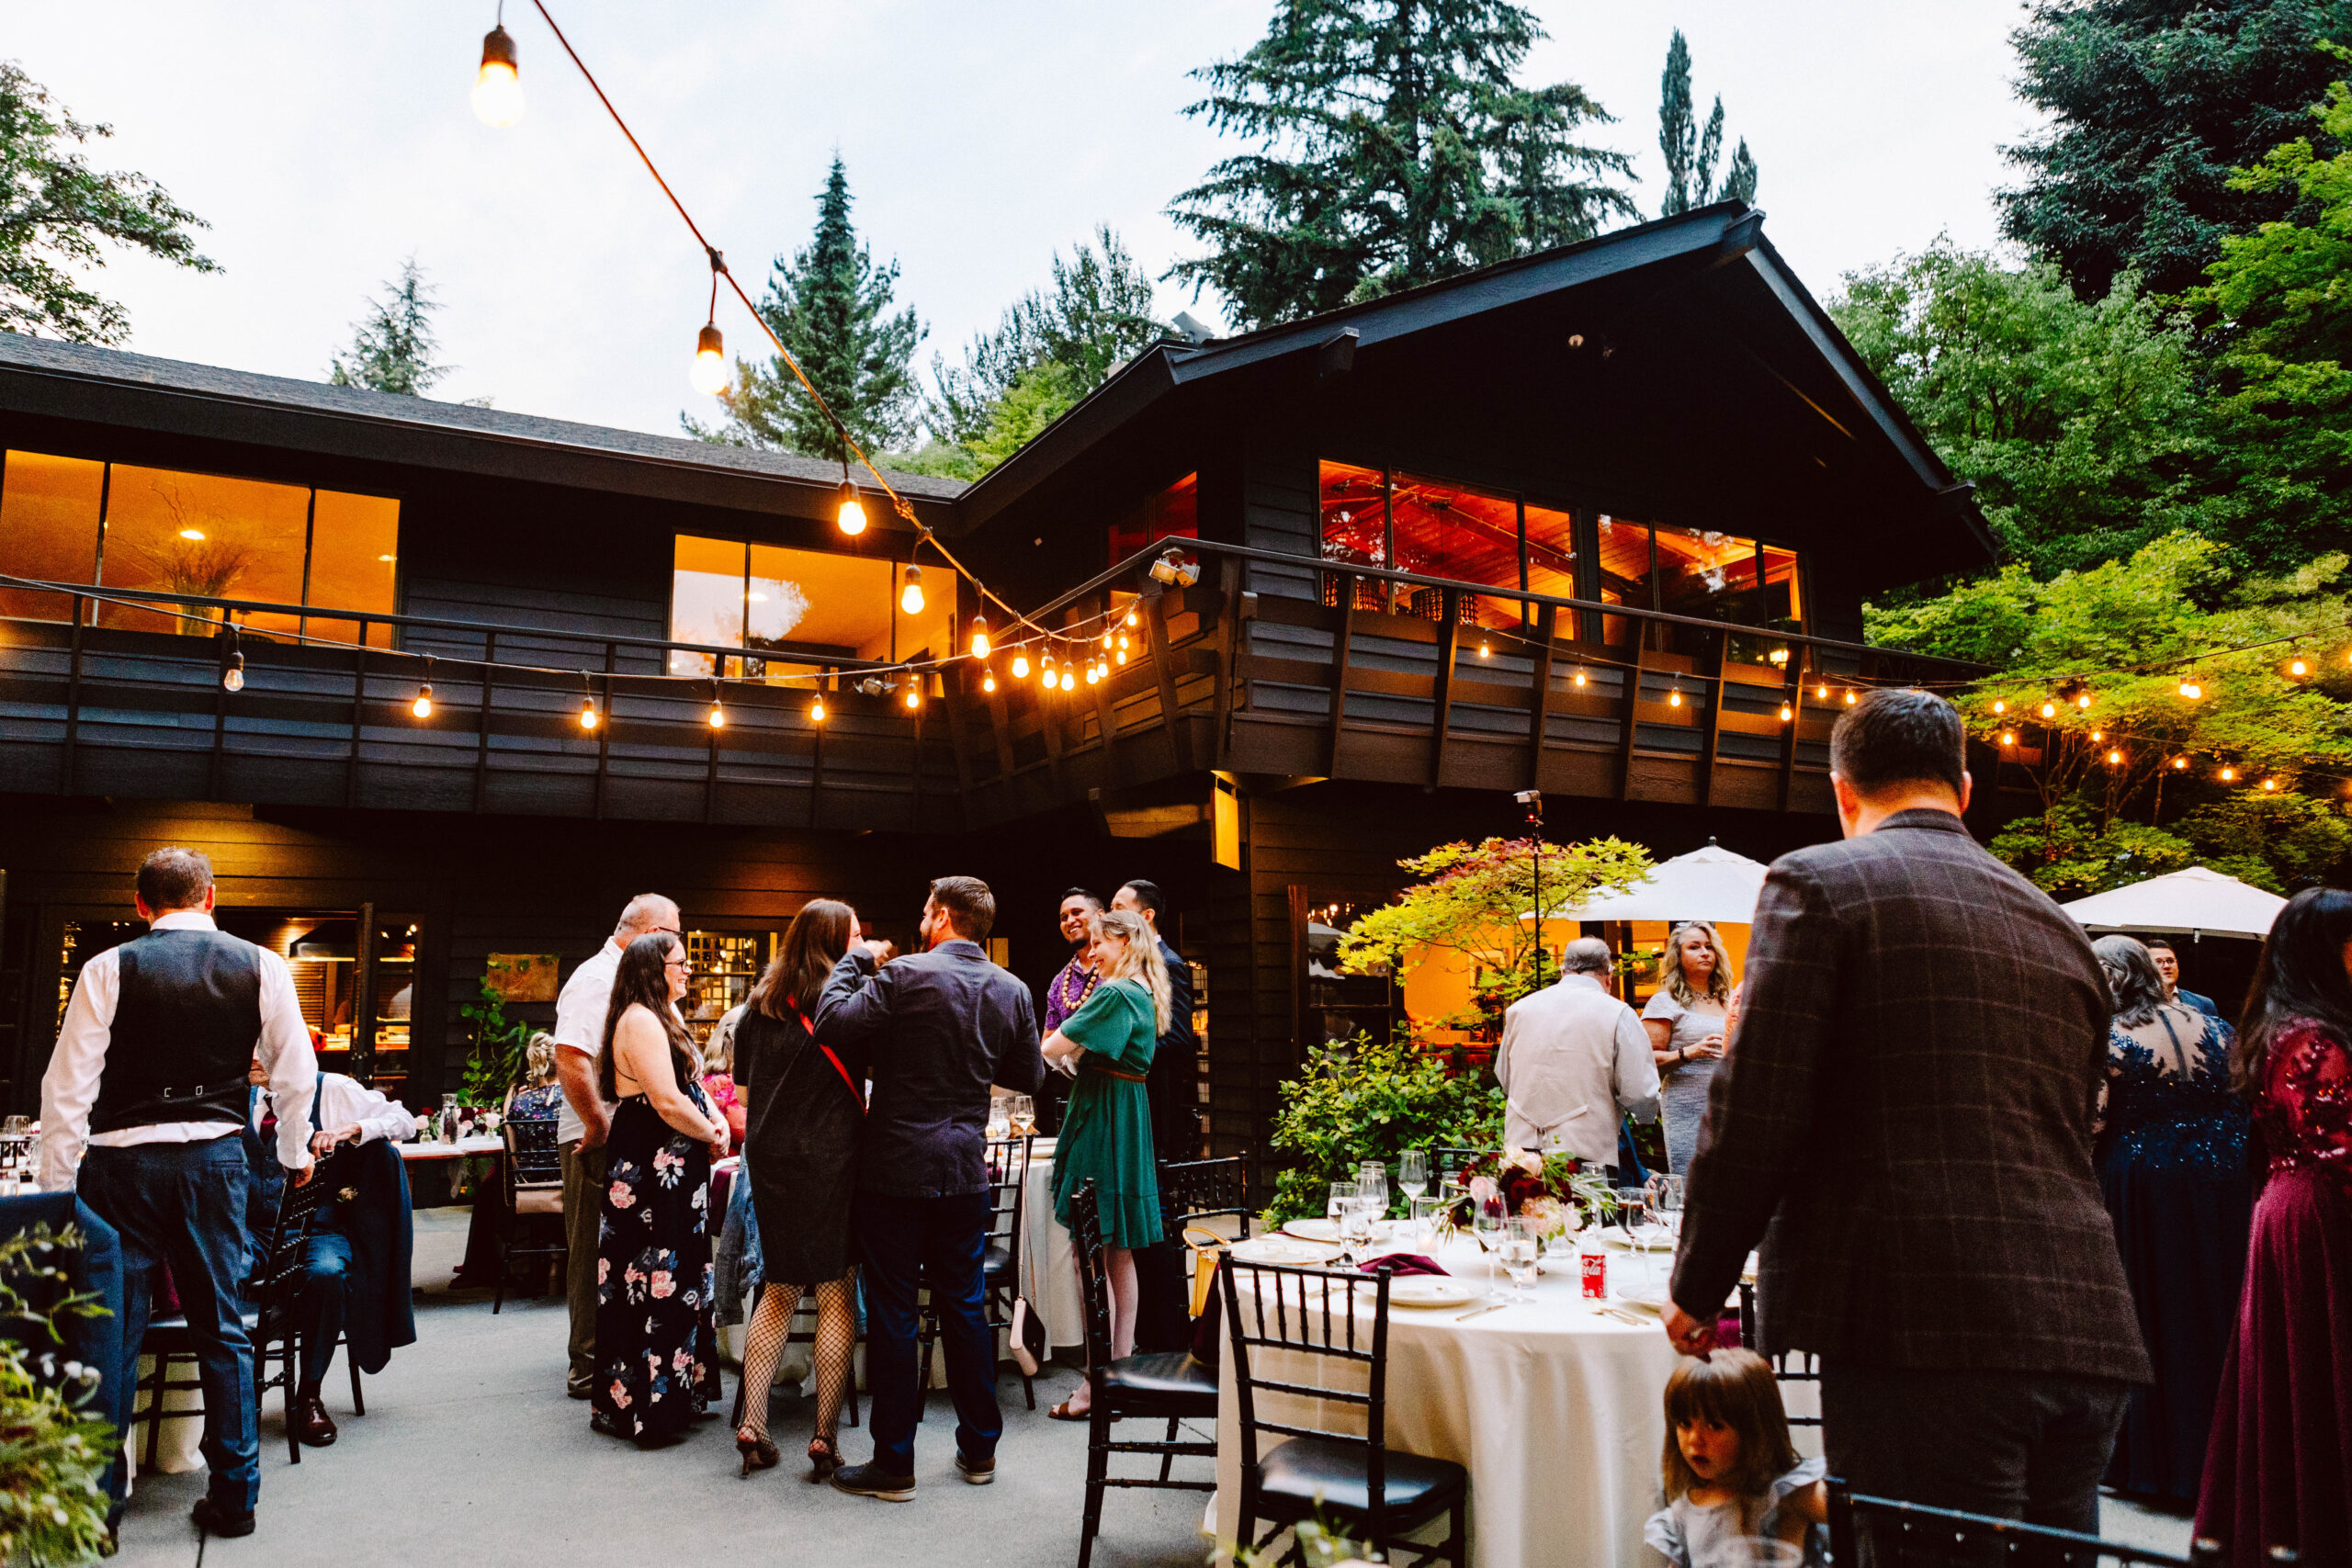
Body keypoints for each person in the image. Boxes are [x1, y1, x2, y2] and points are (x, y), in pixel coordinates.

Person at [1664, 689, 2149, 1543]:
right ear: (1963, 789)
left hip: (1924, 1324)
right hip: (2087, 1321)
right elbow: (2075, 1127)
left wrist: (1697, 1286)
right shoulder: (2060, 927)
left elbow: (1760, 1104)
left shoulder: (1819, 881)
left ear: (1842, 790)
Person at [39, 846, 318, 1539]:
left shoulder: (110, 968)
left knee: (111, 1336)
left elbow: (65, 1087)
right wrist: (288, 1155)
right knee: (221, 1330)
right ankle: (236, 1498)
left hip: (119, 1169)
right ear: (211, 897)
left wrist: (54, 1187)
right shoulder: (261, 964)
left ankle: (96, 1512)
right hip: (214, 1161)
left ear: (141, 905)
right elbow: (296, 1071)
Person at [816, 875, 1045, 1502]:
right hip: (964, 1169)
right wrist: (969, 1060)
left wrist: (854, 958)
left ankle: (894, 1463)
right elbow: (1029, 1073)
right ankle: (979, 1449)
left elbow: (832, 1023)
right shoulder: (1013, 988)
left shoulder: (903, 974)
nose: (920, 918)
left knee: (893, 1312)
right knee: (964, 1304)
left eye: (924, 909)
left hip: (894, 1168)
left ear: (941, 915)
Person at [2197, 887, 2352, 1565]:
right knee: (2322, 1376)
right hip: (2322, 1212)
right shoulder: (2315, 1039)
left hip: (2297, 1206)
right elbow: (2341, 1142)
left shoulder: (2287, 1027)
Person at [2090, 934, 2252, 1503]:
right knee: (2220, 1306)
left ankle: (2162, 1467)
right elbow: (2241, 1094)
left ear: (2115, 975)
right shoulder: (2215, 1026)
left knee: (2156, 1311)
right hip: (2223, 1177)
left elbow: (2093, 1122)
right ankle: (2232, 1459)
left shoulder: (2109, 1035)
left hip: (2146, 1179)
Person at [730, 898, 867, 1481]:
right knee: (836, 1292)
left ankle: (753, 1422)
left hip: (770, 1159)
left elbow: (740, 1090)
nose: (863, 940)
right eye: (855, 933)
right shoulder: (850, 1006)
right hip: (834, 1160)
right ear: (836, 942)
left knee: (777, 1289)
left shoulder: (757, 1007)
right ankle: (824, 1436)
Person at [592, 931, 728, 1446]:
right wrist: (712, 1132)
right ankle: (647, 1409)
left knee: (677, 1273)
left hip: (673, 1166)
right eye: (680, 962)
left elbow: (687, 1092)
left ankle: (676, 1393)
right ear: (654, 968)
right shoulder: (640, 1019)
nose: (688, 970)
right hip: (651, 1170)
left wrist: (709, 1126)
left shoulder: (662, 1016)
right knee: (648, 1275)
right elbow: (667, 1102)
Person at [247, 1061, 418, 1448]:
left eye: (261, 1044)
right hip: (253, 1230)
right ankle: (232, 1403)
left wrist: (356, 1129)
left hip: (318, 1228)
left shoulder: (333, 1089)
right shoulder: (239, 1097)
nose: (252, 1055)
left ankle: (308, 1393)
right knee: (213, 1271)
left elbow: (404, 1120)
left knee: (327, 1274)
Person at [1043, 907, 1170, 1419]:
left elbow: (1052, 1044)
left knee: (1089, 1253)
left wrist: (1065, 1056)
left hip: (1104, 1121)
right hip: (1127, 1118)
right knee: (1118, 1255)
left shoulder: (1115, 993)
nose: (1091, 953)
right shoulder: (1144, 990)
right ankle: (1116, 1373)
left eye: (1100, 943)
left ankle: (1096, 1385)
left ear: (1125, 941)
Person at [554, 892, 681, 1399]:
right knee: (592, 1248)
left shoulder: (633, 978)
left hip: (621, 1133)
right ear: (647, 930)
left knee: (618, 1249)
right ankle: (585, 1365)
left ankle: (610, 1352)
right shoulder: (596, 978)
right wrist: (597, 1124)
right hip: (595, 1133)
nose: (679, 941)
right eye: (673, 931)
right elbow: (570, 1057)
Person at [1644, 1349, 1827, 1568]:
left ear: (1755, 1430)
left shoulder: (1786, 1492)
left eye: (1714, 1426)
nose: (1695, 1438)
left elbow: (1855, 1511)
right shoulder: (1680, 1519)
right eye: (1685, 1424)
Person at [1496, 936, 1660, 1173]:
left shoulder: (1519, 1010)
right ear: (1609, 975)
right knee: (1587, 1211)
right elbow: (1640, 1093)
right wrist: (1645, 1116)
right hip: (1586, 1155)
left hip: (1521, 1153)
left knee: (1526, 1211)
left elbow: (1506, 1079)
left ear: (1563, 970)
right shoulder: (1618, 1014)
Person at [1111, 880, 1198, 1160]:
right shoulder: (1123, 964)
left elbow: (1179, 1038)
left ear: (1147, 916)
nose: (1111, 916)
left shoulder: (1168, 964)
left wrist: (1125, 1055)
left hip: (1155, 1097)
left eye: (1120, 908)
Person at [1644, 921, 1733, 1175]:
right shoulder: (1664, 1002)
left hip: (1730, 1103)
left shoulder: (1728, 1001)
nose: (1704, 952)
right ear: (1678, 957)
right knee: (1692, 1180)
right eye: (1694, 947)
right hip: (1687, 1106)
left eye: (1709, 947)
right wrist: (1690, 1052)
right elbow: (1646, 1060)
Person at [1037, 888, 1104, 1134]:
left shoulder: (1119, 969)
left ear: (1100, 915)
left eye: (1076, 912)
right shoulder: (1059, 982)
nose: (1069, 921)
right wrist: (1073, 1065)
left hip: (1121, 1086)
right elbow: (1047, 1044)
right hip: (1077, 1091)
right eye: (1064, 917)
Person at [2143, 938, 2222, 1020]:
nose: (2167, 966)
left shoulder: (2203, 1004)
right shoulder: (2133, 1004)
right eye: (2158, 962)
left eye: (2170, 961)